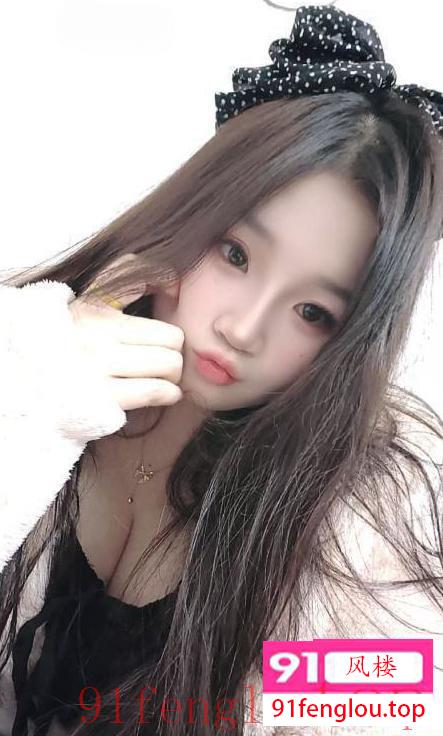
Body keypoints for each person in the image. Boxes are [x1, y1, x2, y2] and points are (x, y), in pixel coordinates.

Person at [1, 4, 443, 735]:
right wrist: (28, 405)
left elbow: (384, 707)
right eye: (235, 254)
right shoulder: (29, 359)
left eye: (312, 312)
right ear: (192, 215)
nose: (243, 327)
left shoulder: (361, 520)